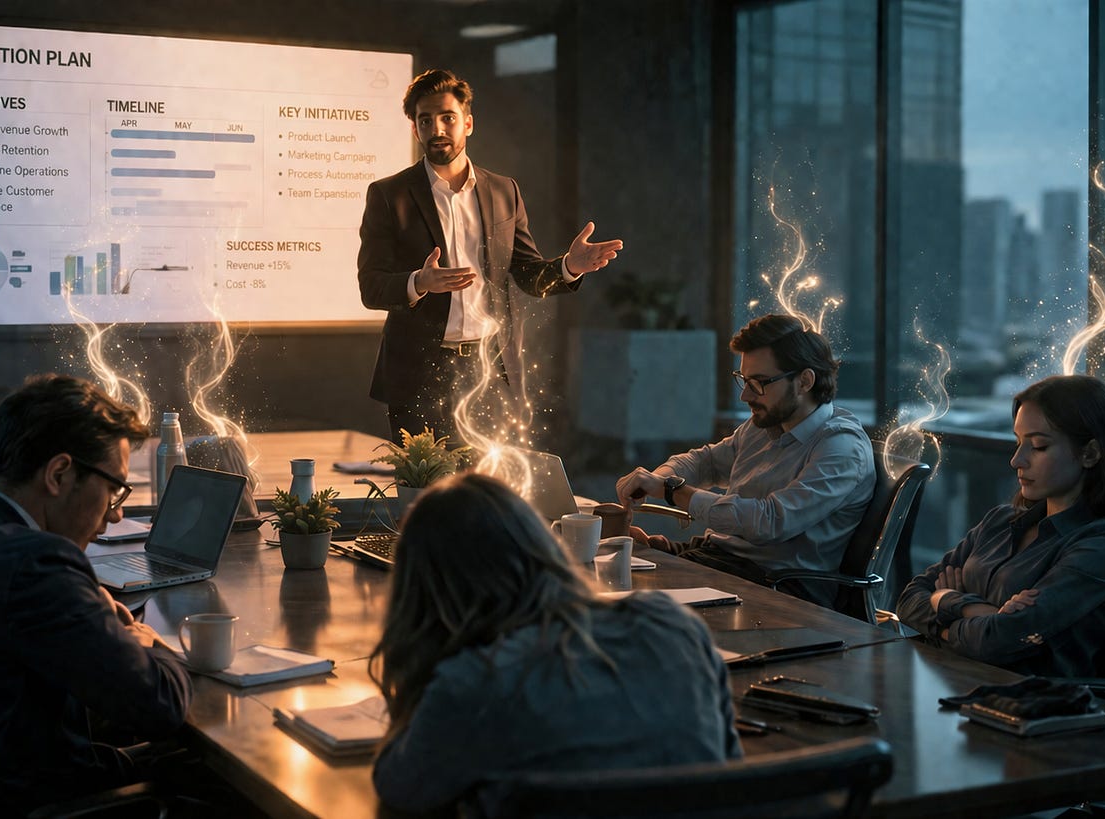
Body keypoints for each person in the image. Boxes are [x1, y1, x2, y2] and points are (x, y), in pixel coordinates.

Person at [0, 375, 193, 814]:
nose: (116, 513)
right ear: (59, 473)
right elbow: (159, 705)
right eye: (113, 489)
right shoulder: (36, 564)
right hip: (40, 803)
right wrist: (149, 642)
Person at [369, 473, 740, 814]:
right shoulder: (673, 626)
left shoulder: (474, 683)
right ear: (544, 547)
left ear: (426, 594)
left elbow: (400, 787)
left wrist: (414, 679)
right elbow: (729, 767)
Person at [358, 68, 623, 443]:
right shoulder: (389, 195)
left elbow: (528, 274)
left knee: (486, 492)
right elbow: (370, 287)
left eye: (447, 118)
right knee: (425, 495)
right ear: (414, 129)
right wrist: (419, 282)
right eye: (425, 120)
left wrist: (568, 267)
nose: (437, 129)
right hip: (418, 376)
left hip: (489, 373)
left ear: (468, 123)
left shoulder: (503, 191)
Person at [894, 375, 1105, 677]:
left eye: (1039, 446)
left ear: (1090, 453)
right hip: (947, 681)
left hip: (1024, 706)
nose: (1017, 460)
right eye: (1018, 442)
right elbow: (908, 600)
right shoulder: (1000, 522)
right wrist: (973, 608)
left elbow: (998, 641)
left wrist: (942, 602)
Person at [615, 313, 875, 606]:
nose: (746, 396)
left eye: (760, 383)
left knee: (626, 606)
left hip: (775, 589)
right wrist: (657, 478)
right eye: (744, 381)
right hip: (720, 563)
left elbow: (770, 521)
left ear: (804, 381)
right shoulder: (763, 425)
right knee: (607, 573)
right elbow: (706, 463)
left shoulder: (841, 448)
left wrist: (672, 490)